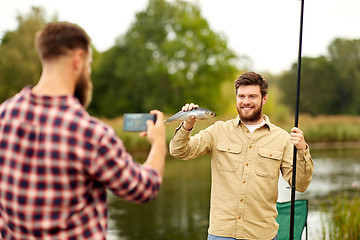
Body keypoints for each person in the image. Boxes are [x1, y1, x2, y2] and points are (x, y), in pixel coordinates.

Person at [0, 22, 166, 239]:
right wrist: (159, 143)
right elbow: (145, 187)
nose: (88, 72)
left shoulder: (4, 115)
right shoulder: (89, 133)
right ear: (78, 60)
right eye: (89, 64)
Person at [169, 72, 314, 240]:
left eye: (252, 96)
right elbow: (179, 151)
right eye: (242, 96)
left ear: (264, 98)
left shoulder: (282, 138)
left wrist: (302, 149)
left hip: (261, 235)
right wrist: (187, 125)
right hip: (221, 234)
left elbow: (301, 184)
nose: (246, 101)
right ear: (236, 97)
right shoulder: (218, 130)